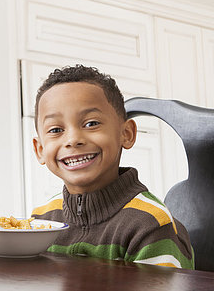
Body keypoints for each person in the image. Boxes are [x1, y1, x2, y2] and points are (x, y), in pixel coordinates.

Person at [31, 64, 194, 269]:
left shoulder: (151, 224)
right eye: (56, 129)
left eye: (91, 124)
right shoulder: (40, 221)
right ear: (39, 149)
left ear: (126, 133)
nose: (72, 140)